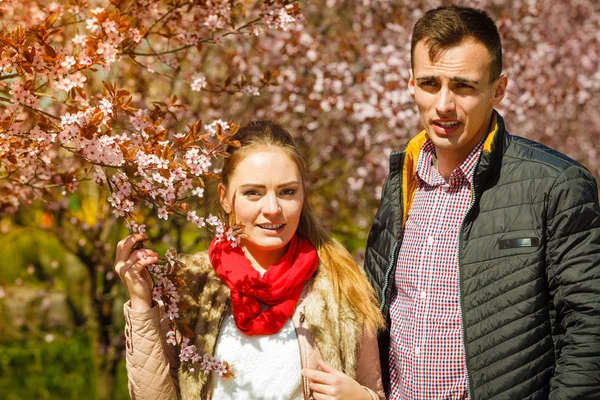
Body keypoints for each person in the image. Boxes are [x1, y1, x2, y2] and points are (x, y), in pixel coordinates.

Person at [364, 5, 600, 400]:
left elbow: (590, 327)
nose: (443, 105)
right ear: (410, 85)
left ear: (499, 88)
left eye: (463, 86)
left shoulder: (555, 185)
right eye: (429, 84)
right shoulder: (401, 181)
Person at [115, 121, 385, 400]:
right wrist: (140, 305)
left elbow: (374, 391)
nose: (272, 209)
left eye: (287, 192)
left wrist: (360, 398)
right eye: (253, 193)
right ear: (224, 198)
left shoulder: (342, 285)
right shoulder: (190, 286)